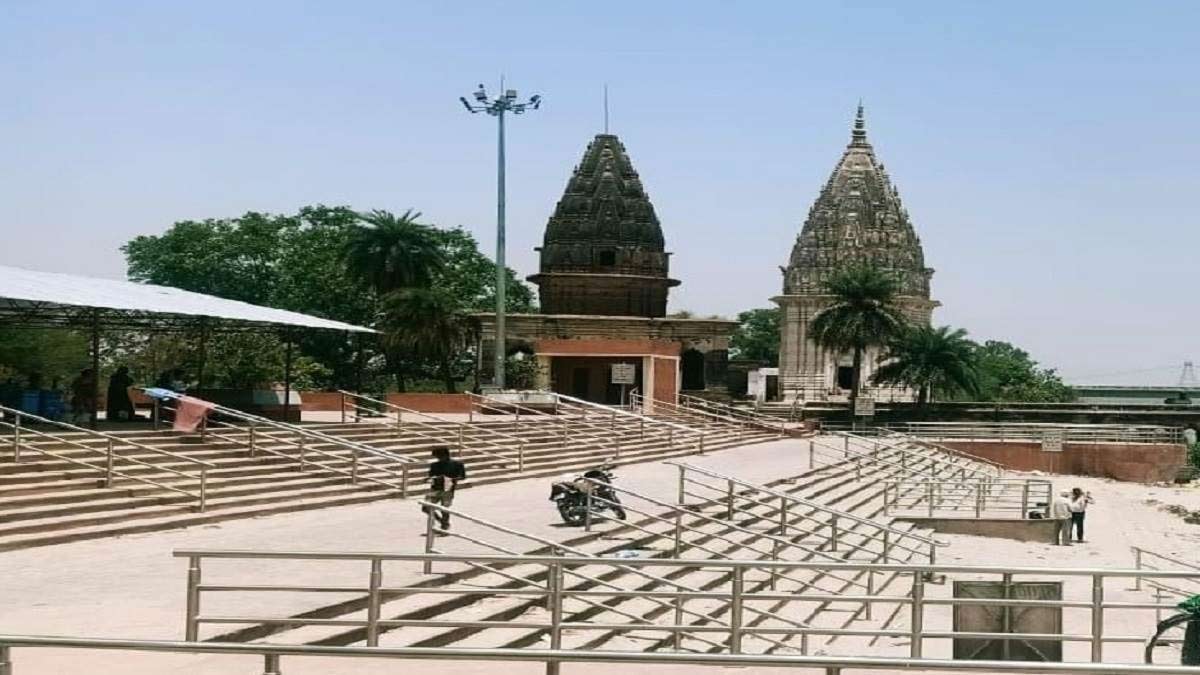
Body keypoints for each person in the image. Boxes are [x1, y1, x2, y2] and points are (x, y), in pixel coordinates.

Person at [426, 447, 466, 531]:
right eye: (437, 457)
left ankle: (445, 525)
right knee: (426, 507)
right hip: (435, 488)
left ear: (446, 455)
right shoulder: (434, 465)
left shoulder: (457, 464)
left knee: (444, 508)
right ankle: (442, 521)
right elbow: (430, 475)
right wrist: (430, 478)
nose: (438, 459)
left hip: (448, 488)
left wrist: (450, 478)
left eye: (440, 456)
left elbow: (462, 476)